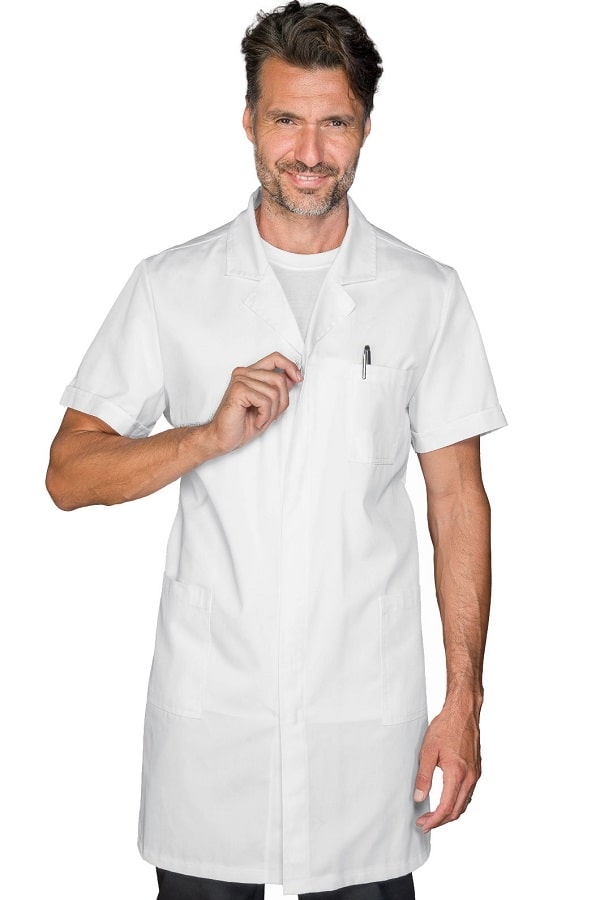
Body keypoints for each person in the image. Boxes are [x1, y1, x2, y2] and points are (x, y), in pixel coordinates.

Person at [46, 2, 507, 898]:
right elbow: (67, 474)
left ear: (366, 127)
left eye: (336, 122)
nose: (309, 151)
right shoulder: (171, 287)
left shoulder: (426, 294)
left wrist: (464, 701)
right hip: (214, 727)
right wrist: (203, 437)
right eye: (286, 119)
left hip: (365, 731)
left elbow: (459, 503)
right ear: (249, 120)